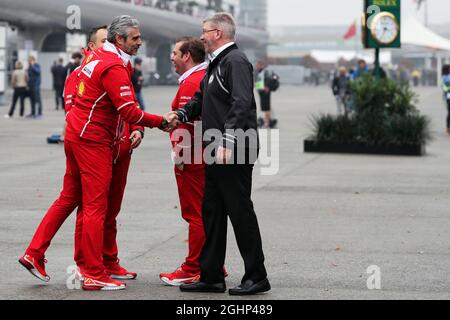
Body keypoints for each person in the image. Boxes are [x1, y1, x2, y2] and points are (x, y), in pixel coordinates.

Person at [19, 15, 178, 291]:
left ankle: (42, 254)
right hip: (93, 142)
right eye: (135, 38)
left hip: (84, 138)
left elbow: (110, 108)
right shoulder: (111, 65)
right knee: (95, 207)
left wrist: (132, 130)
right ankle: (92, 272)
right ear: (118, 41)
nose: (140, 42)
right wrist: (161, 122)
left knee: (73, 200)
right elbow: (127, 109)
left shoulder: (93, 63)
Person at [173, 13, 270, 296]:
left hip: (234, 149)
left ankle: (257, 275)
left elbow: (242, 102)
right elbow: (201, 100)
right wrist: (180, 114)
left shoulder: (236, 62)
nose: (201, 36)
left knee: (240, 212)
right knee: (212, 213)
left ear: (218, 33)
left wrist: (228, 140)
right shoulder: (215, 64)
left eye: (204, 31)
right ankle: (211, 276)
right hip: (215, 149)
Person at [159, 36, 209, 286]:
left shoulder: (192, 82)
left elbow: (187, 124)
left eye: (175, 53)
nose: (172, 58)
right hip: (202, 154)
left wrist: (180, 155)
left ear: (187, 55)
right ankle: (211, 264)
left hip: (192, 158)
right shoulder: (204, 76)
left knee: (195, 214)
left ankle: (193, 267)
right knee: (205, 212)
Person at [255, 60, 274, 128]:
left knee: (266, 108)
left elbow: (268, 80)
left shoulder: (264, 72)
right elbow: (258, 81)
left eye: (257, 65)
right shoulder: (258, 72)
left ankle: (267, 123)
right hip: (261, 91)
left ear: (261, 65)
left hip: (265, 92)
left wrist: (267, 87)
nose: (256, 66)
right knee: (265, 108)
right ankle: (268, 121)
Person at [442, 65, 450, 134]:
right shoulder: (446, 77)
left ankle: (448, 128)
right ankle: (448, 128)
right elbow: (446, 88)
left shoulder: (445, 77)